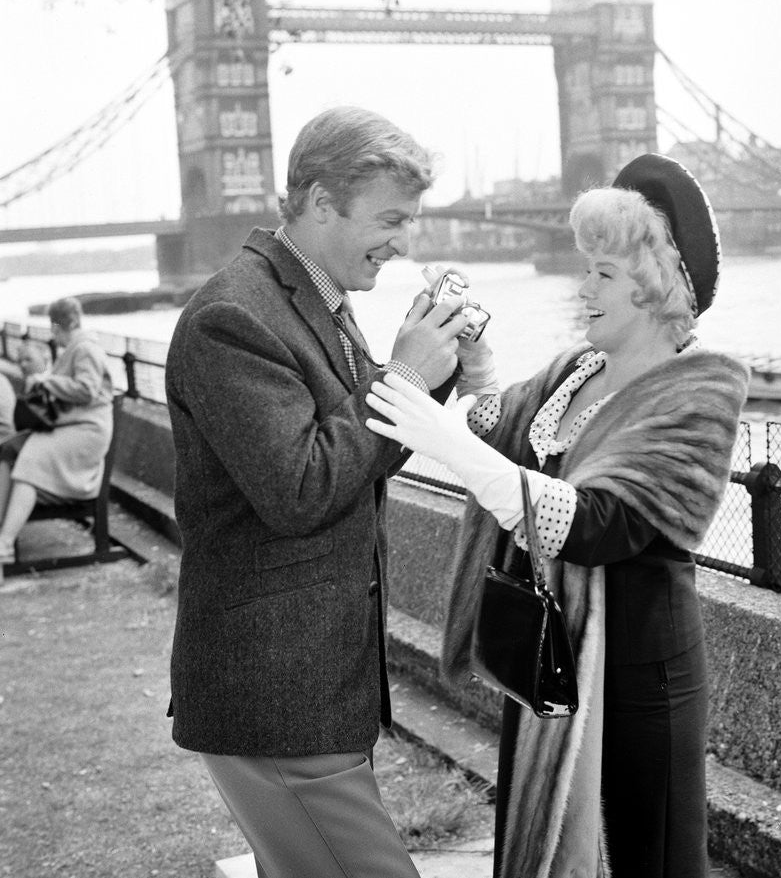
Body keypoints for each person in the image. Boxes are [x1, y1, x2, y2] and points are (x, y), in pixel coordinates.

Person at [365, 154, 749, 878]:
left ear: (655, 282)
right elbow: (497, 427)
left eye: (602, 272)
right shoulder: (579, 367)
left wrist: (439, 437)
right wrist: (473, 359)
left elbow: (600, 522)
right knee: (548, 847)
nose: (585, 286)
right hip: (552, 658)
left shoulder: (700, 389)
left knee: (655, 860)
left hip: (640, 670)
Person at [164, 105, 471, 878]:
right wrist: (403, 375)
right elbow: (301, 486)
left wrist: (427, 368)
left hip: (312, 690)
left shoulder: (313, 300)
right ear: (321, 202)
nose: (405, 240)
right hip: (277, 698)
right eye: (391, 218)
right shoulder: (234, 314)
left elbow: (353, 455)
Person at [0, 299, 113, 581]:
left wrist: (44, 381)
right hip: (74, 427)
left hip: (87, 430)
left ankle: (4, 545)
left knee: (30, 460)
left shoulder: (85, 348)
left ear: (56, 326)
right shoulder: (79, 347)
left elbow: (86, 390)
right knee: (10, 449)